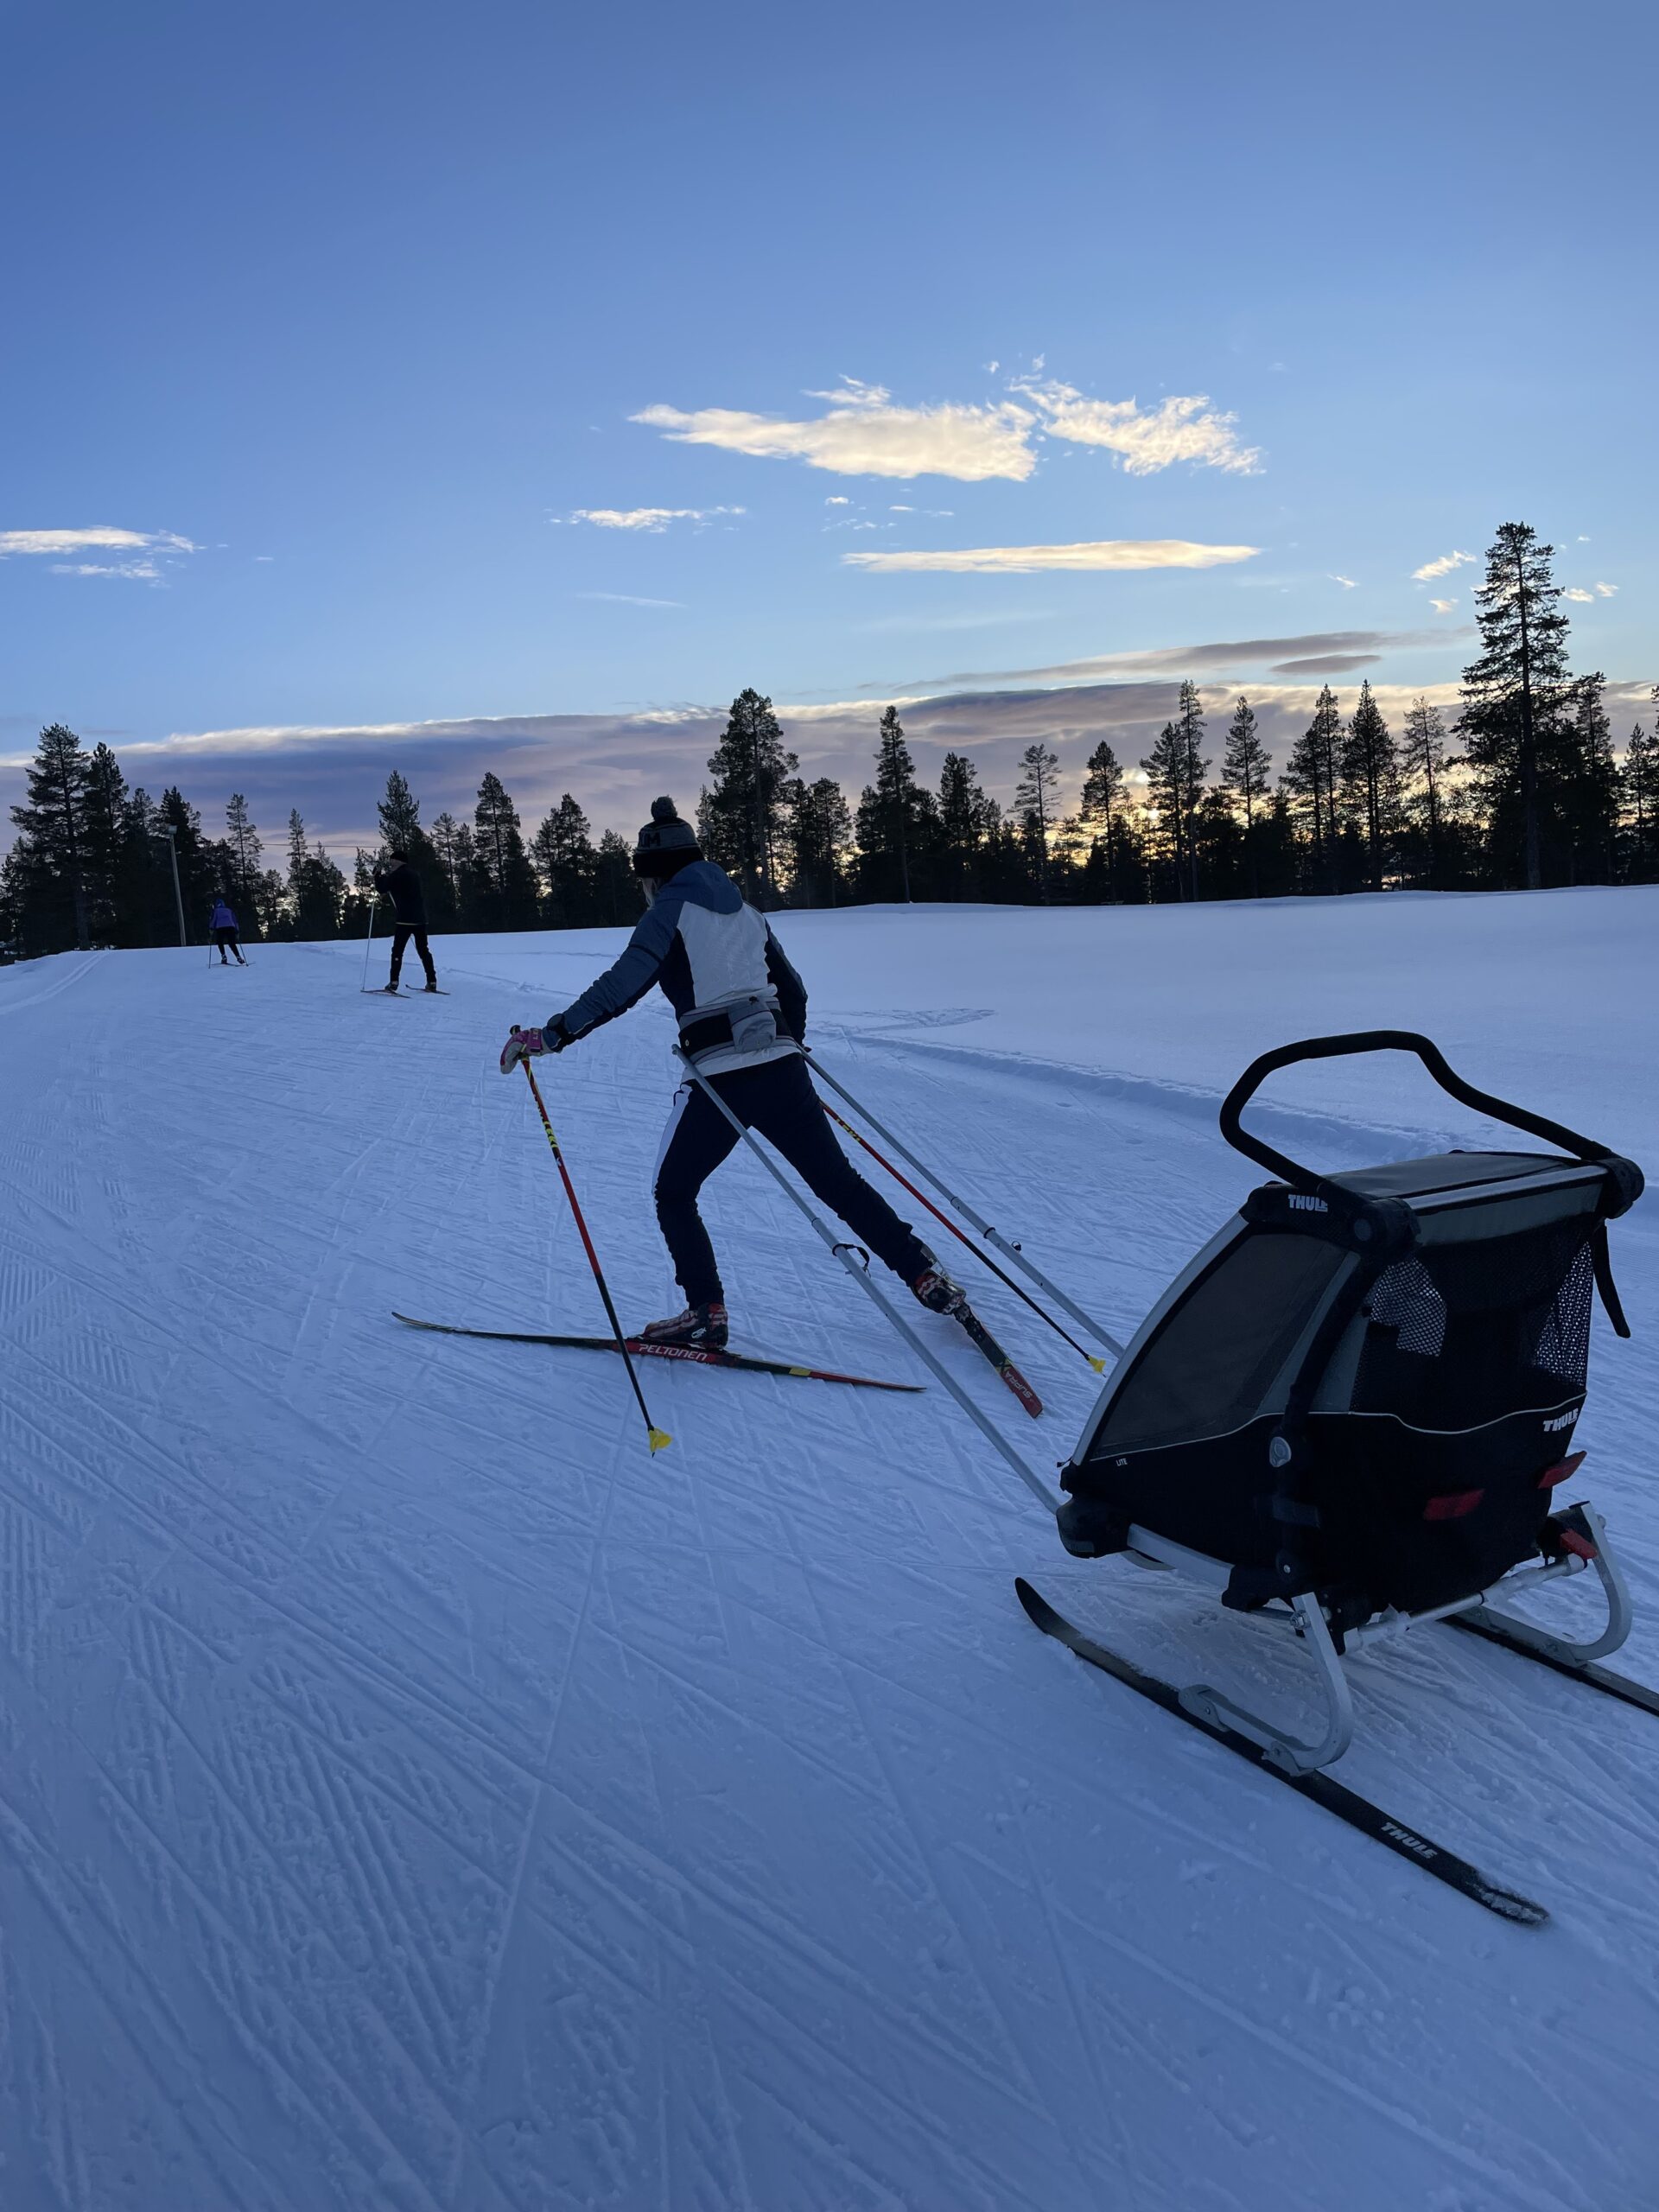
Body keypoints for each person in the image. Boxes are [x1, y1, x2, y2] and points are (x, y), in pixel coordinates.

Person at [498, 796, 964, 1346]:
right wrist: (789, 1044)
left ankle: (705, 1309)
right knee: (837, 1183)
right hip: (784, 1068)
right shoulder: (748, 913)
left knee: (674, 1191)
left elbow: (620, 986)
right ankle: (921, 1272)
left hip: (720, 1080)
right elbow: (792, 990)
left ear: (654, 875)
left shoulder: (667, 912)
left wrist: (550, 1036)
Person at [372, 849, 438, 993]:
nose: (390, 863)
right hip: (420, 919)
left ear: (398, 861)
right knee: (423, 950)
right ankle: (432, 981)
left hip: (405, 920)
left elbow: (382, 888)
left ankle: (394, 982)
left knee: (397, 951)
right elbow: (393, 884)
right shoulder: (414, 874)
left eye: (392, 860)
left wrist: (377, 876)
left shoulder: (398, 874)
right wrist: (383, 877)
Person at [209, 897, 247, 964]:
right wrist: (237, 930)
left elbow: (213, 920)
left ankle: (224, 956)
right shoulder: (229, 910)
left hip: (220, 928)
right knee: (232, 943)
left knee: (220, 942)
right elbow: (235, 920)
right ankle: (238, 957)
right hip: (230, 927)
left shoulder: (216, 911)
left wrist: (211, 928)